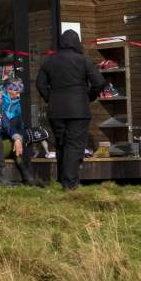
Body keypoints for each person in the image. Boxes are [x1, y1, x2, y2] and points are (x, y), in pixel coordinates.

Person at [35, 29, 103, 190]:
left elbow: (40, 84)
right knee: (74, 145)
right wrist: (88, 97)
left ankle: (62, 178)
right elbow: (99, 82)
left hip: (56, 109)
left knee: (61, 144)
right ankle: (70, 184)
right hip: (79, 109)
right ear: (76, 43)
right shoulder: (84, 61)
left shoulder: (49, 62)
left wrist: (49, 98)